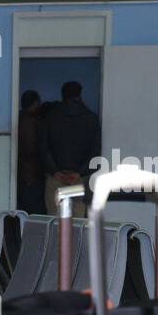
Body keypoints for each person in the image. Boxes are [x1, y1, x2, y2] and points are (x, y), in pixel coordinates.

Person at [39, 81, 101, 216]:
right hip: (79, 179)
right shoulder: (91, 118)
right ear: (80, 95)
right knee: (77, 222)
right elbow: (95, 152)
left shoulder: (51, 117)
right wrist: (79, 173)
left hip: (55, 178)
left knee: (55, 221)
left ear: (62, 95)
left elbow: (44, 148)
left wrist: (54, 171)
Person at [16, 90, 46, 214]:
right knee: (34, 213)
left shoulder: (18, 118)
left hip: (22, 175)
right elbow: (30, 149)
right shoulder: (30, 122)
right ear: (34, 103)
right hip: (31, 175)